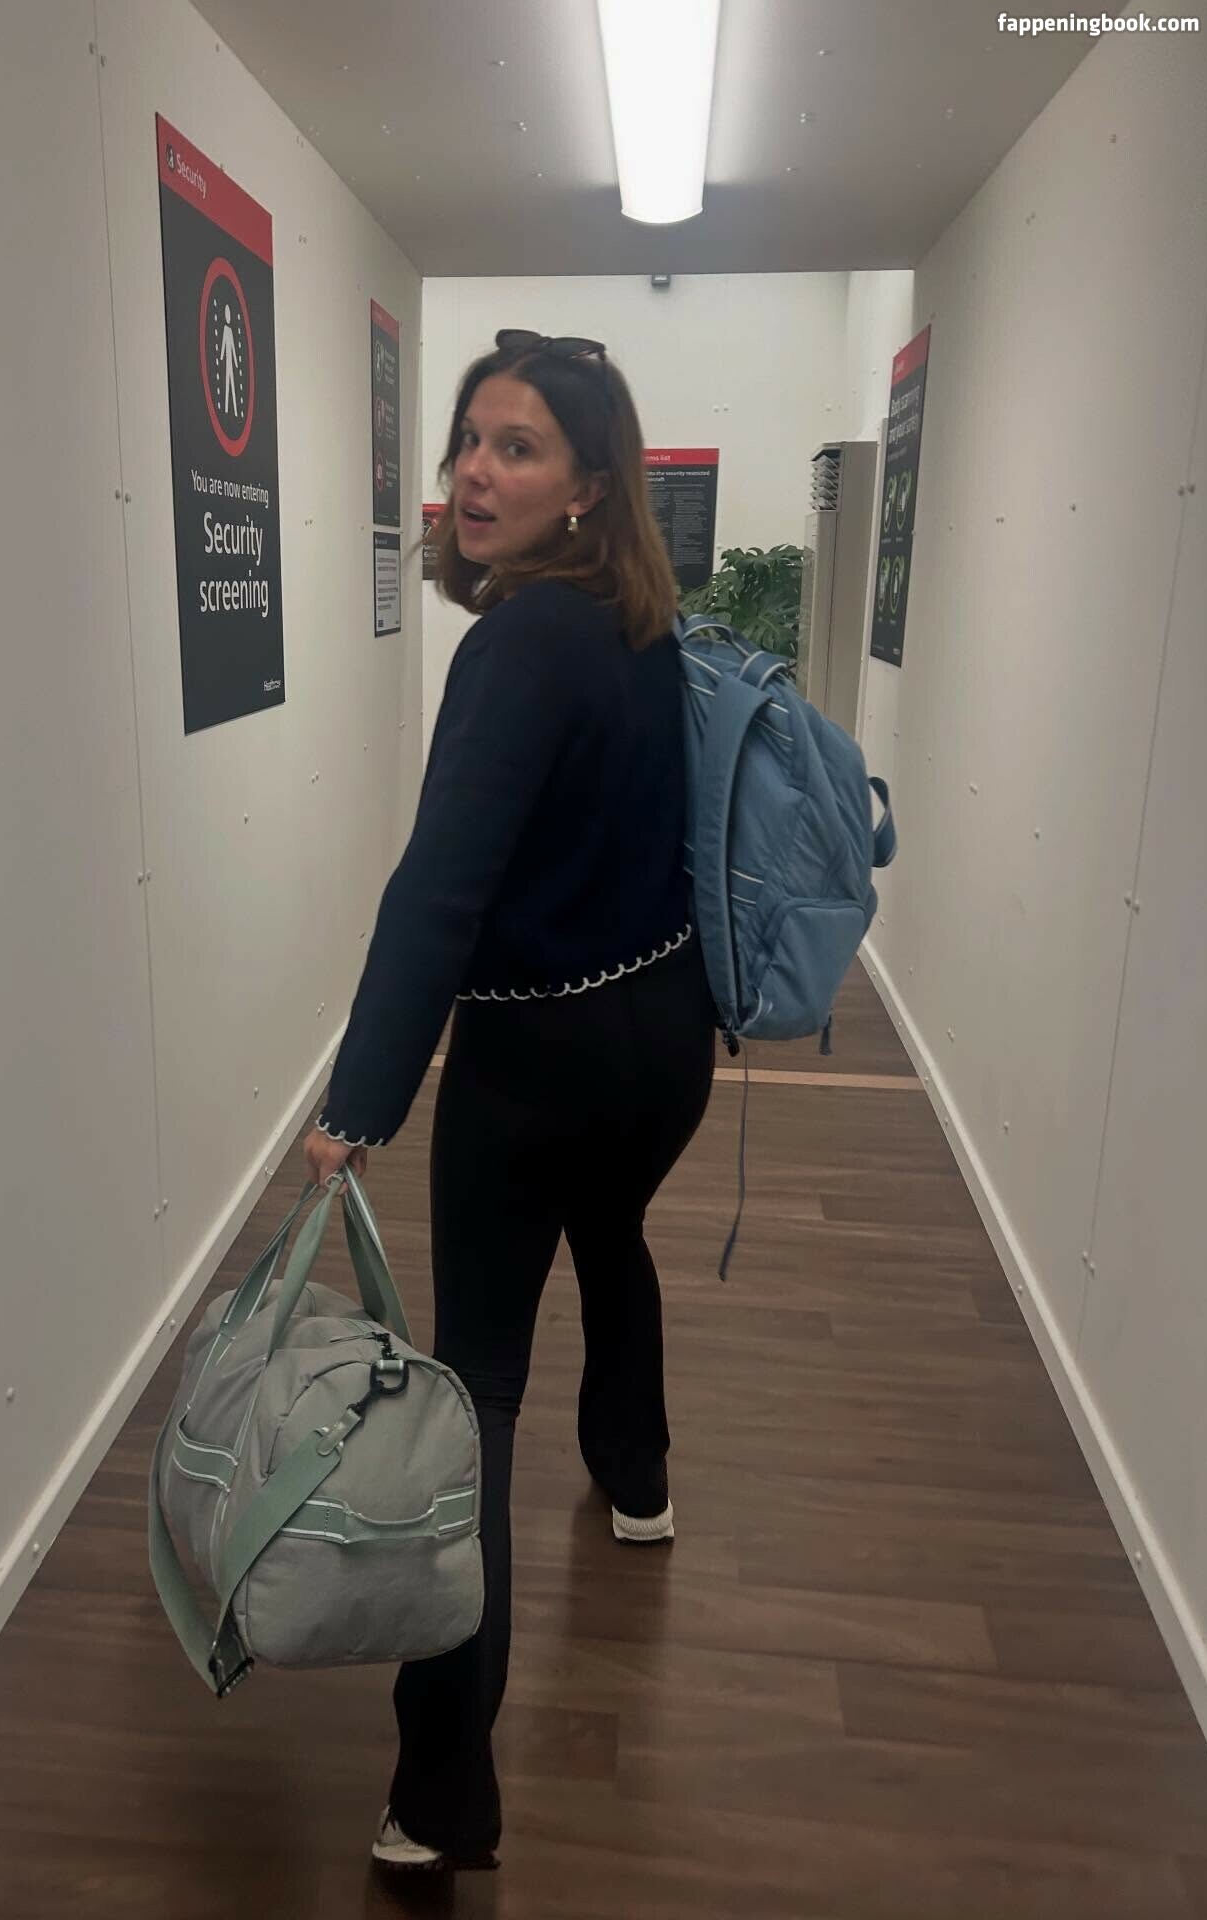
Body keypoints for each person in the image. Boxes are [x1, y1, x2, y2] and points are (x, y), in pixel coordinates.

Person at [302, 328, 717, 1872]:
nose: (474, 472)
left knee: (472, 1394)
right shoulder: (638, 626)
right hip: (662, 1043)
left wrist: (360, 1099)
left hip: (535, 1062)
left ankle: (441, 1795)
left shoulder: (520, 646)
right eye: (469, 441)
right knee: (613, 1236)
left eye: (518, 447)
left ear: (589, 484)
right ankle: (640, 1480)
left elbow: (439, 895)